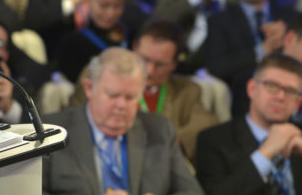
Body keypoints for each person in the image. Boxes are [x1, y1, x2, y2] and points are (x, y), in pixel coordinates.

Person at [43, 48, 207, 195]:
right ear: (90, 88)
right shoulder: (52, 132)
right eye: (112, 95)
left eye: (130, 97)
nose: (122, 105)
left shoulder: (159, 130)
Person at [196, 54, 302, 195]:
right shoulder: (215, 139)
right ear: (252, 89)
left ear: (298, 103)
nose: (281, 96)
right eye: (272, 86)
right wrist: (266, 152)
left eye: (291, 91)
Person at [69, 19, 218, 163]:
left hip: (160, 164)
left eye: (160, 65)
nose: (149, 71)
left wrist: (171, 142)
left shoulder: (186, 90)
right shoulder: (100, 75)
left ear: (174, 64)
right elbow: (74, 119)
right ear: (134, 48)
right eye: (145, 60)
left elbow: (206, 123)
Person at [204, 0, 295, 116]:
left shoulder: (290, 18)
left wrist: (289, 44)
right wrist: (262, 50)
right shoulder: (220, 21)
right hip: (242, 105)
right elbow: (216, 67)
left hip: (292, 104)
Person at [58, 0, 130, 83]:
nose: (110, 13)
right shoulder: (73, 41)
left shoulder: (130, 38)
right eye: (103, 5)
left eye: (117, 6)